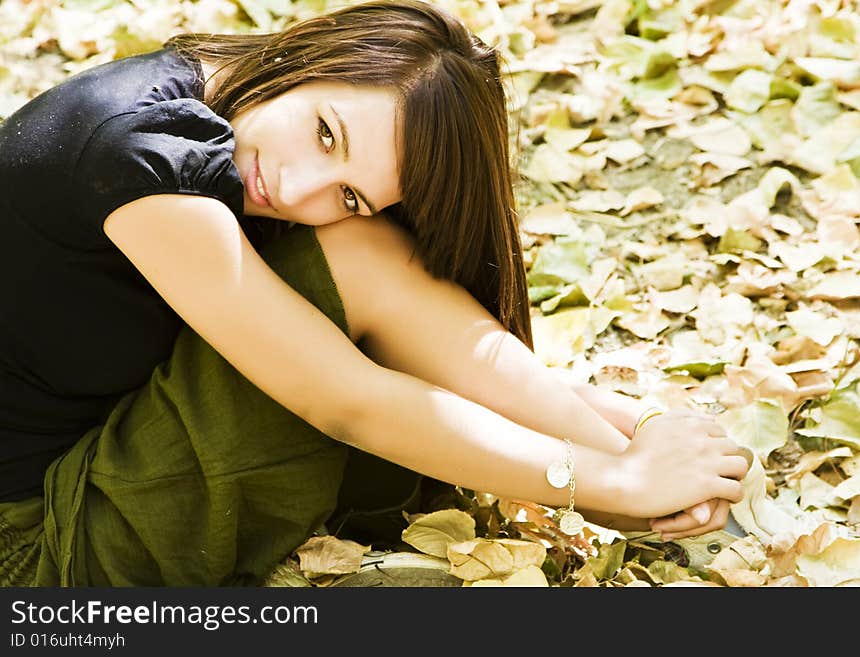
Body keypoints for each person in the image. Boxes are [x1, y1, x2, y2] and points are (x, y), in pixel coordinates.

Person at [0, 0, 748, 587]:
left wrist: (632, 434)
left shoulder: (231, 99)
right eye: (326, 134)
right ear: (310, 56)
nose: (297, 188)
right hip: (39, 555)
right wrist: (611, 478)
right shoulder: (136, 157)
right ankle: (628, 491)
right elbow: (344, 397)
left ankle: (648, 495)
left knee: (362, 250)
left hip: (107, 442)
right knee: (354, 259)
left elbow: (416, 328)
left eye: (351, 192)